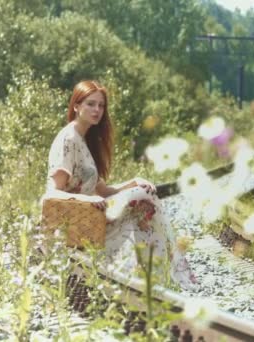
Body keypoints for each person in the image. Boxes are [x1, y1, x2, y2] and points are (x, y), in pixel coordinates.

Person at [43, 80, 196, 290]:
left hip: (88, 217)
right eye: (90, 104)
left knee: (143, 194)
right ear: (76, 106)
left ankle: (155, 279)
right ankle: (160, 277)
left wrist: (135, 181)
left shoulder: (84, 141)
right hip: (70, 222)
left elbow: (105, 191)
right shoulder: (68, 140)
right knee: (143, 200)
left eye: (101, 105)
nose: (97, 110)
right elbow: (51, 193)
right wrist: (88, 199)